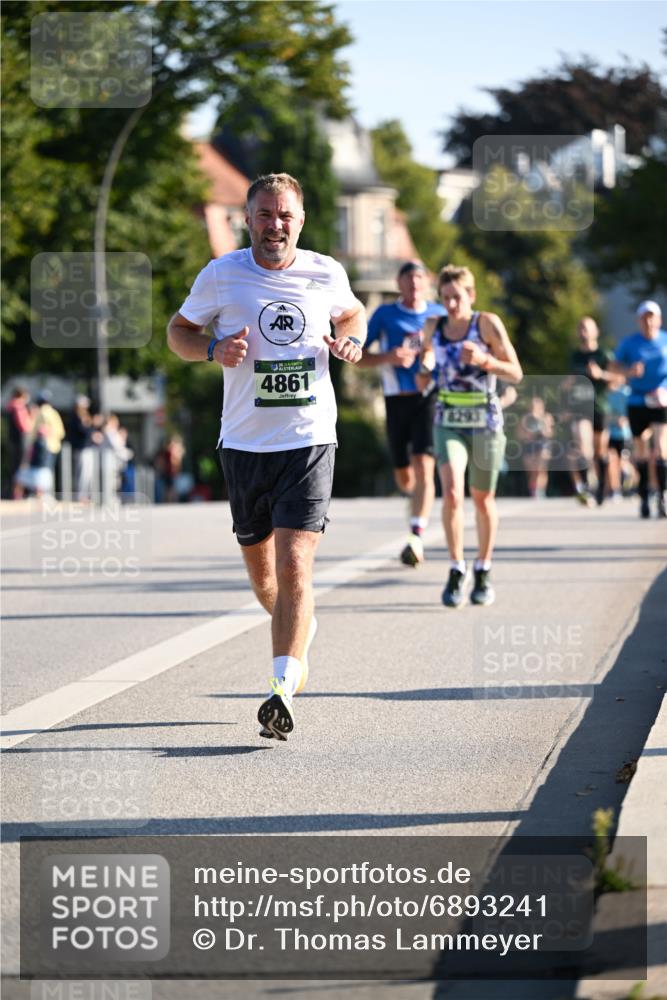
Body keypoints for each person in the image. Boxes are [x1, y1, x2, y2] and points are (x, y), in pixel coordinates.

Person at [167, 172, 365, 740]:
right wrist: (211, 348)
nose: (275, 224)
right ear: (247, 219)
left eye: (285, 215)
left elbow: (350, 313)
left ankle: (281, 688)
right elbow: (177, 331)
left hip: (308, 439)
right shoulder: (222, 275)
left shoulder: (325, 272)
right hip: (244, 443)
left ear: (300, 221)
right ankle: (299, 630)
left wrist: (351, 339)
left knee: (296, 562)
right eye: (264, 214)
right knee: (265, 577)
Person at [417, 264, 522, 608]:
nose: (450, 305)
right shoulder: (433, 325)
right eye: (445, 298)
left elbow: (516, 373)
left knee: (482, 499)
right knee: (451, 493)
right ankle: (456, 567)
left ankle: (484, 567)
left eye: (457, 298)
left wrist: (486, 360)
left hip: (485, 420)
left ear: (471, 296)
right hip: (447, 417)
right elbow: (423, 375)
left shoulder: (486, 323)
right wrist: (424, 366)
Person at [358, 261, 445, 566]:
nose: (414, 284)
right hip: (396, 400)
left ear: (427, 282)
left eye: (419, 278)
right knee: (404, 476)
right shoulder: (384, 315)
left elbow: (455, 354)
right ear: (399, 283)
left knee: (424, 465)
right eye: (408, 279)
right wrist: (388, 357)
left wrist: (432, 360)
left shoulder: (439, 314)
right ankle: (415, 503)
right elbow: (359, 358)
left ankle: (416, 535)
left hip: (429, 397)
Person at [609, 300, 667, 518]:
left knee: (661, 448)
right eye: (645, 317)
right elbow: (613, 367)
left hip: (661, 401)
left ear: (659, 319)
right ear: (639, 321)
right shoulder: (629, 343)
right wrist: (629, 371)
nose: (649, 321)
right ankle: (644, 497)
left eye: (652, 317)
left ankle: (662, 496)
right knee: (641, 450)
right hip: (637, 401)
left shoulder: (665, 340)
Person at [567, 317, 613, 507]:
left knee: (600, 452)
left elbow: (617, 379)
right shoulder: (575, 356)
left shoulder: (604, 355)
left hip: (600, 407)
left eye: (587, 328)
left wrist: (600, 374)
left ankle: (601, 486)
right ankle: (585, 486)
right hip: (580, 408)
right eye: (581, 328)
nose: (583, 332)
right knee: (581, 442)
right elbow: (571, 380)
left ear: (596, 332)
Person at [518, 396, 554, 499]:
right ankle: (533, 490)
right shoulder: (525, 418)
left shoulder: (546, 417)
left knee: (541, 469)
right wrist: (528, 435)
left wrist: (543, 428)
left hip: (543, 444)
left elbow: (550, 433)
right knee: (532, 471)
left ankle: (540, 491)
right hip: (529, 446)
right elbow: (520, 435)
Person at [5, 386, 34, 499]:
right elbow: (25, 426)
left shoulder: (10, 406)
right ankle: (18, 493)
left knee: (15, 466)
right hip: (21, 441)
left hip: (13, 441)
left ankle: (15, 492)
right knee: (21, 467)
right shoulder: (19, 407)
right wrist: (32, 417)